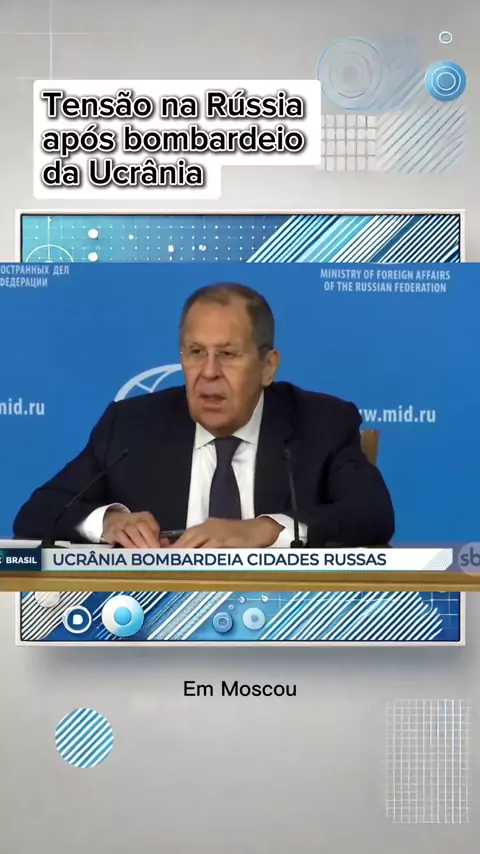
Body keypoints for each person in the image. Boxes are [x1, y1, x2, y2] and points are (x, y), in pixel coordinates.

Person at [13, 282, 394, 548]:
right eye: (196, 353)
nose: (209, 372)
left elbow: (372, 514)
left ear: (267, 366)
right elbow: (38, 512)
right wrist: (109, 522)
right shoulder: (131, 426)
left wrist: (264, 530)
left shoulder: (321, 423)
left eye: (227, 354)